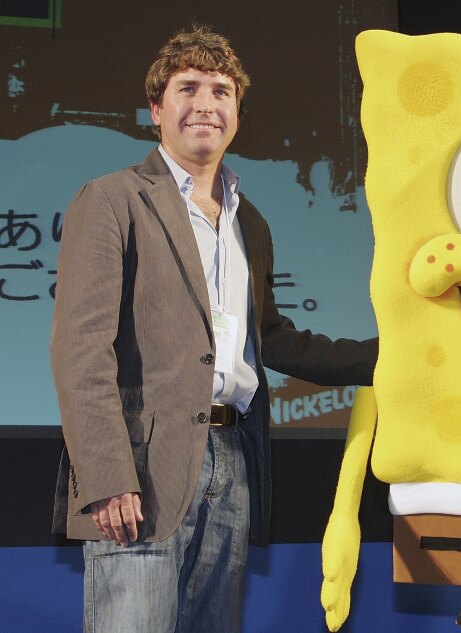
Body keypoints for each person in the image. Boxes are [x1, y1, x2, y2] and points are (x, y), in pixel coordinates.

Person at [50, 25, 377, 632]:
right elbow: (80, 350)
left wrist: (395, 358)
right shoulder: (113, 199)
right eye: (188, 87)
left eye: (221, 91)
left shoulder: (248, 220)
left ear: (237, 113)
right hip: (143, 465)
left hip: (233, 459)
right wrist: (108, 474)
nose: (206, 103)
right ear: (157, 110)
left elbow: (272, 338)